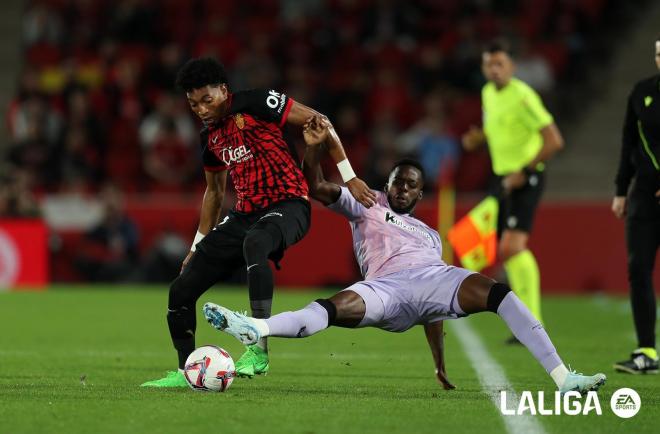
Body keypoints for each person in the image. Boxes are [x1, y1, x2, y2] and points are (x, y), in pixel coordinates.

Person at [202, 117, 605, 394]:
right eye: (398, 182)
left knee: (499, 293)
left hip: (435, 277)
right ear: (389, 183)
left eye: (411, 185)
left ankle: (562, 377)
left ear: (419, 193)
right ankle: (258, 329)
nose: (402, 190)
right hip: (385, 288)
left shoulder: (430, 236)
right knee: (331, 307)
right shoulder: (366, 201)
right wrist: (312, 150)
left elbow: (434, 311)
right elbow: (317, 186)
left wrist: (439, 364)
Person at [141, 58, 375, 387]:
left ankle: (258, 348)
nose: (202, 110)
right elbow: (214, 192)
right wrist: (195, 246)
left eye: (207, 100)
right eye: (194, 105)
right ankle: (186, 372)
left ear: (224, 90)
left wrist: (348, 176)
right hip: (245, 214)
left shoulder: (256, 102)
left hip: (290, 203)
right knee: (181, 289)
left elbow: (319, 121)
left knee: (256, 242)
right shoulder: (210, 137)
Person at [461, 40, 564, 339]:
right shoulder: (488, 93)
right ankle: (526, 322)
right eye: (489, 65)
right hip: (502, 178)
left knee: (511, 247)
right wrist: (477, 140)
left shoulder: (523, 96)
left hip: (528, 176)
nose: (494, 70)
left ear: (512, 67)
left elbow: (554, 140)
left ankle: (532, 322)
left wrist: (526, 171)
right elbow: (496, 131)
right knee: (493, 249)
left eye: (500, 65)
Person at [611, 37, 660, 374]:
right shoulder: (642, 91)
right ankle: (647, 352)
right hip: (643, 195)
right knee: (638, 270)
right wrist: (620, 189)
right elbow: (629, 139)